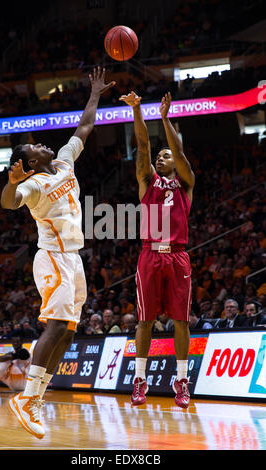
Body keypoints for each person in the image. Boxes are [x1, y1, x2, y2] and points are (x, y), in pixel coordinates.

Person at [0, 66, 115, 439]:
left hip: (73, 258)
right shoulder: (32, 185)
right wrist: (11, 182)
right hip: (51, 257)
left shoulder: (64, 162)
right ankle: (28, 399)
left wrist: (95, 93)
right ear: (31, 162)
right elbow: (9, 203)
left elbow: (83, 129)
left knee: (67, 330)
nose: (44, 144)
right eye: (36, 146)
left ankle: (35, 397)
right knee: (55, 325)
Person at [119, 91, 195, 408]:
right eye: (159, 156)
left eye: (166, 157)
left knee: (181, 321)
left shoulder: (186, 182)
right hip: (150, 254)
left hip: (177, 255)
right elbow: (142, 146)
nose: (161, 158)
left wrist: (164, 118)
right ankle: (140, 380)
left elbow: (177, 151)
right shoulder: (146, 179)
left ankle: (181, 381)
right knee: (145, 321)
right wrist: (138, 110)